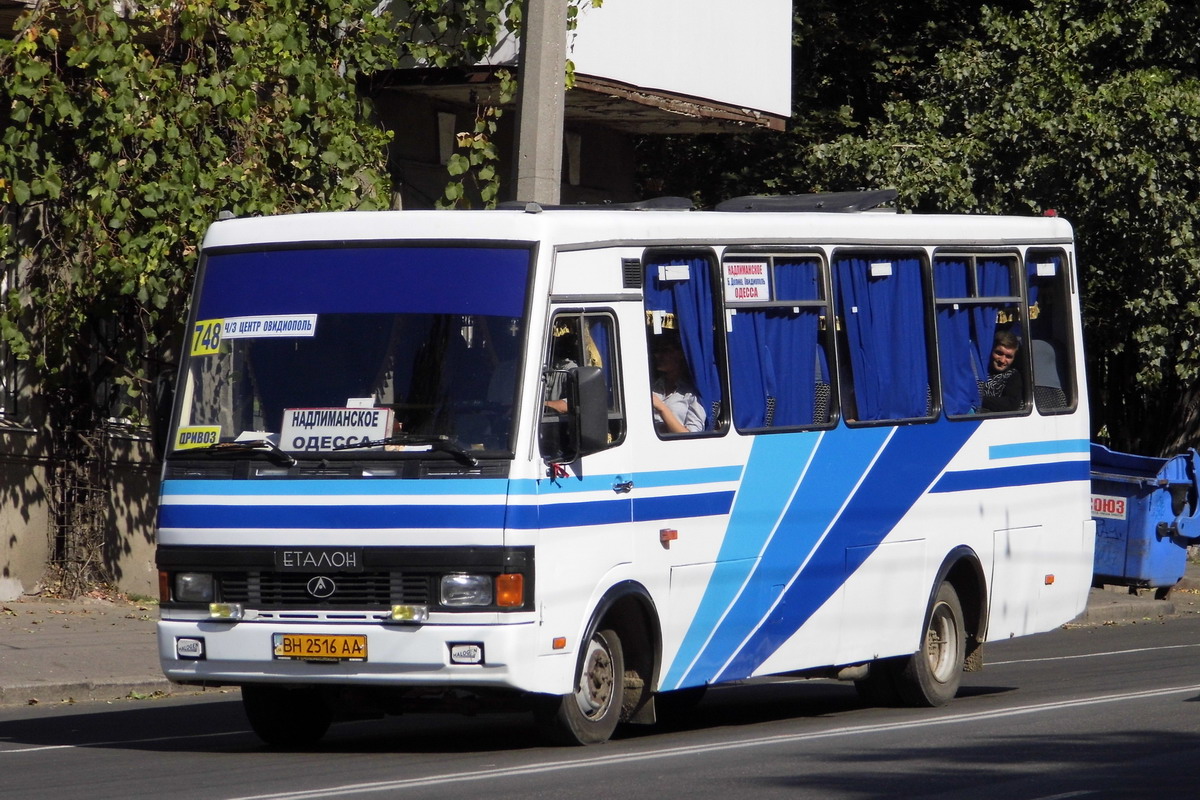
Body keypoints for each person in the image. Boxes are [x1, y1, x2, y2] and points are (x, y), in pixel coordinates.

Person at [650, 334, 706, 433]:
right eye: (657, 351)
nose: (658, 355)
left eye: (665, 350)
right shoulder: (654, 387)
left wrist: (661, 408)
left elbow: (692, 437)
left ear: (680, 354)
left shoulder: (692, 392)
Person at [979, 330, 1024, 412]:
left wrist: (978, 400)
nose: (1002, 360)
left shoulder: (1013, 375)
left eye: (1008, 356)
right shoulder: (979, 371)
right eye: (999, 353)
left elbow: (1011, 404)